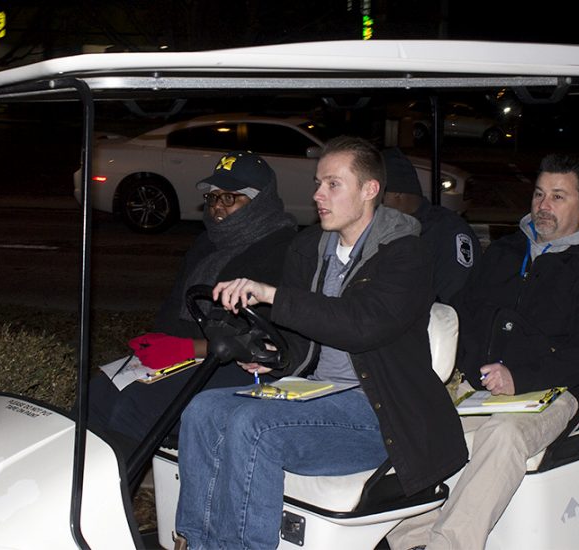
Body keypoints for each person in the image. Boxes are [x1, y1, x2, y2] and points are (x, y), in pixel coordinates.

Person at [173, 136, 468, 550]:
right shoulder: (310, 248)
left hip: (380, 414)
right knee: (203, 409)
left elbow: (360, 325)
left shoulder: (407, 255)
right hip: (319, 397)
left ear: (369, 190)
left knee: (251, 426)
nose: (317, 195)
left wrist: (272, 293)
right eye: (318, 183)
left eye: (333, 184)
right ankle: (200, 542)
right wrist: (276, 358)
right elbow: (305, 340)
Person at [386, 153, 579, 550]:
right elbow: (465, 312)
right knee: (415, 424)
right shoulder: (504, 253)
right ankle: (402, 538)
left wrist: (522, 377)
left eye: (557, 197)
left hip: (555, 390)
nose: (543, 206)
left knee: (502, 435)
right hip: (482, 384)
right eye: (538, 194)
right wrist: (449, 370)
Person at [87, 151, 298, 453]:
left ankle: (116, 490)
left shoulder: (282, 249)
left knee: (137, 405)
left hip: (242, 364)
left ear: (260, 201)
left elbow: (249, 335)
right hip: (196, 352)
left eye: (230, 198)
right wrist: (160, 342)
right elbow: (174, 306)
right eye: (213, 198)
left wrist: (184, 349)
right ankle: (81, 485)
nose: (217, 209)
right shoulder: (208, 243)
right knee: (99, 392)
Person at [381, 147, 482, 304]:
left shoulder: (448, 233)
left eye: (376, 197)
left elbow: (453, 302)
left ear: (397, 194)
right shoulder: (386, 228)